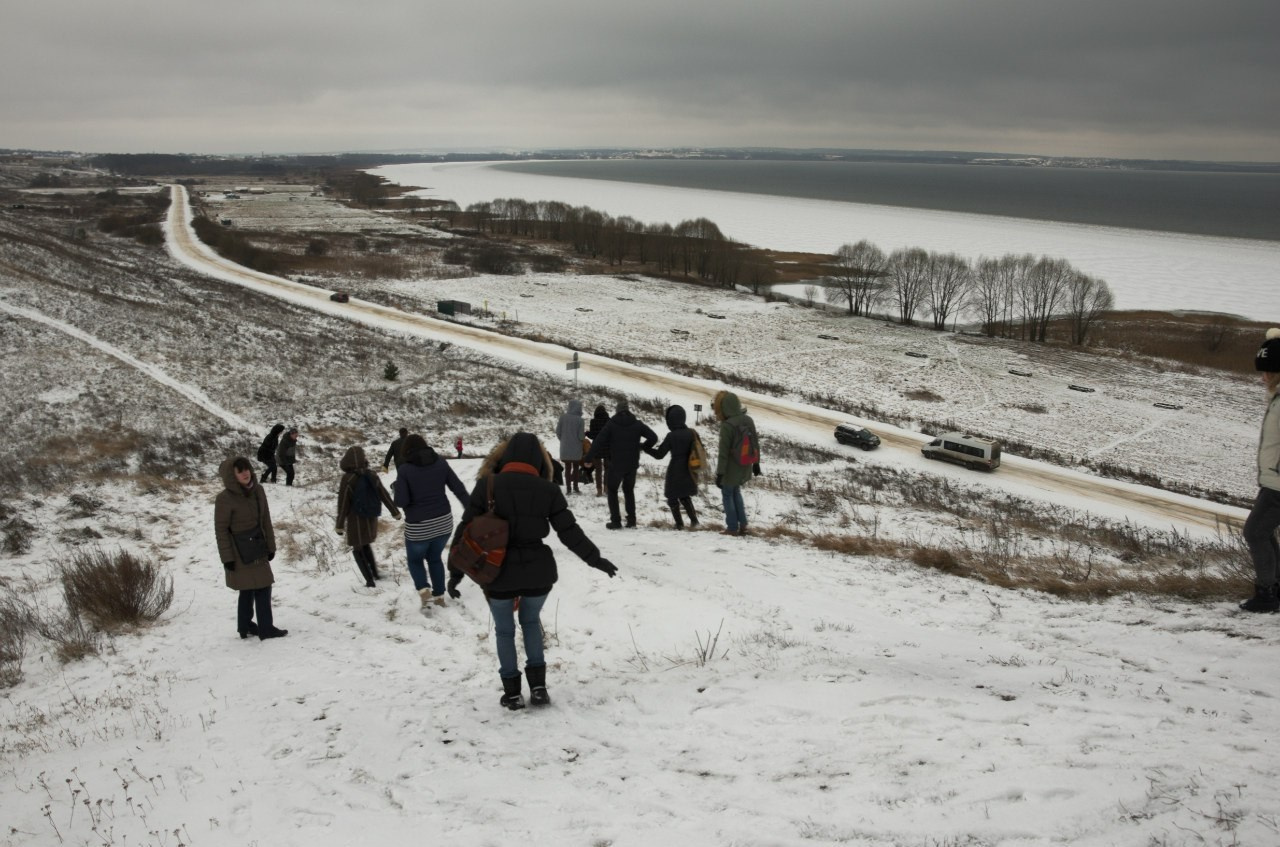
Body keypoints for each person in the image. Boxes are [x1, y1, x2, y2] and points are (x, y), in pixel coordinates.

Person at [447, 432, 617, 710]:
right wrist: (596, 560)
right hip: (538, 573)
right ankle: (538, 688)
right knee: (530, 623)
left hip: (496, 573)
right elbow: (569, 532)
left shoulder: (487, 485)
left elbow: (465, 531)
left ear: (505, 457)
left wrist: (454, 572)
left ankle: (512, 693)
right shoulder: (548, 490)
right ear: (539, 460)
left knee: (504, 631)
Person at [214, 456, 287, 640]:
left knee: (252, 587)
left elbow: (265, 520)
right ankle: (266, 628)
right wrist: (227, 558)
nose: (245, 473)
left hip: (258, 546)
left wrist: (271, 546)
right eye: (240, 471)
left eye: (247, 469)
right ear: (232, 476)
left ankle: (245, 626)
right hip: (238, 551)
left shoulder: (258, 491)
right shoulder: (225, 499)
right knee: (258, 587)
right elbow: (221, 530)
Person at [393, 433, 469, 607]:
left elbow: (401, 501)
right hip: (444, 523)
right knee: (434, 558)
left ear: (406, 450)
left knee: (415, 560)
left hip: (419, 526)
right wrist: (471, 510)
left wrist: (397, 488)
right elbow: (459, 488)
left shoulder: (405, 470)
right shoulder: (441, 462)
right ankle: (440, 595)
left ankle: (423, 589)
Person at [1240, 328, 1280, 613]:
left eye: (1266, 371)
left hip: (1278, 484)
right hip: (1273, 480)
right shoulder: (1277, 398)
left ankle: (1267, 593)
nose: (1262, 376)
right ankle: (1273, 588)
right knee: (1262, 532)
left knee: (1255, 531)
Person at [583, 399, 657, 529]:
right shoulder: (637, 424)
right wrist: (642, 447)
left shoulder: (611, 424)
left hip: (616, 464)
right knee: (629, 491)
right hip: (632, 464)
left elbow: (598, 442)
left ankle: (616, 521)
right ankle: (632, 521)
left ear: (617, 411)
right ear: (628, 410)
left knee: (612, 490)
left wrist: (588, 459)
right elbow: (653, 437)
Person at [336, 446, 401, 587]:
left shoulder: (347, 478)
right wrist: (395, 511)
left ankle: (369, 581)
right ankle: (375, 574)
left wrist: (339, 524)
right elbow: (383, 493)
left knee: (357, 547)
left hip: (356, 518)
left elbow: (343, 503)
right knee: (366, 543)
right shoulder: (371, 474)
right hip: (371, 516)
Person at [713, 389, 761, 537]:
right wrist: (756, 463)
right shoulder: (748, 420)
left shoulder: (727, 425)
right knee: (736, 492)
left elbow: (723, 453)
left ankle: (732, 528)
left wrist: (720, 473)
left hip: (731, 468)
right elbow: (755, 443)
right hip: (745, 463)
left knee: (727, 494)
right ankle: (744, 525)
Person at [646, 405, 701, 530]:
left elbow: (659, 455)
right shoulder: (692, 433)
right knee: (685, 495)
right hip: (690, 468)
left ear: (670, 420)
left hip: (675, 468)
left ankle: (679, 524)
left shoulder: (671, 436)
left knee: (672, 496)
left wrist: (646, 449)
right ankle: (694, 521)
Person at [556, 399, 586, 495]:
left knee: (567, 468)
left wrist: (564, 440)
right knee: (576, 468)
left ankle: (568, 489)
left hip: (565, 448)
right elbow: (581, 436)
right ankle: (576, 488)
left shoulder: (562, 418)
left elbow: (558, 432)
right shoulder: (580, 420)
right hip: (576, 449)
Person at [585, 403, 610, 495]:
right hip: (608, 447)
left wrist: (587, 433)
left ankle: (599, 490)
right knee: (607, 469)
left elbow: (592, 435)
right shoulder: (609, 421)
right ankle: (606, 488)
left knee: (598, 470)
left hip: (597, 447)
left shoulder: (593, 421)